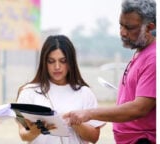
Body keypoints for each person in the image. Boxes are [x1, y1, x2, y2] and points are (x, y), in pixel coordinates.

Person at [63, 0, 156, 143]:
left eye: (130, 27)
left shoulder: (154, 58)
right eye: (121, 25)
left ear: (149, 27)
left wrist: (89, 114)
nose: (123, 32)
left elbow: (139, 109)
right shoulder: (141, 52)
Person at [16, 35, 105, 144]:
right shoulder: (28, 92)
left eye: (63, 61)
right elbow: (23, 135)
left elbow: (94, 137)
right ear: (44, 63)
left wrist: (75, 122)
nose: (57, 66)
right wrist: (35, 131)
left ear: (71, 62)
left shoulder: (85, 93)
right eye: (51, 61)